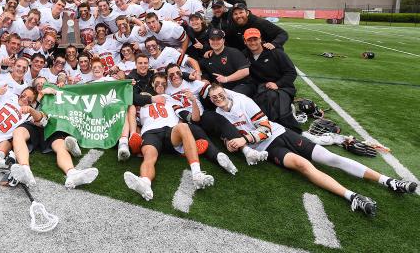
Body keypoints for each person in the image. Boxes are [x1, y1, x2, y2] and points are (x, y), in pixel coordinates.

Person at [208, 84, 417, 216]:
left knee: (328, 157)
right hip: (267, 149)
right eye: (213, 97)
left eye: (219, 94)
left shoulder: (243, 101)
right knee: (303, 165)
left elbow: (265, 127)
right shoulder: (218, 115)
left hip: (279, 134)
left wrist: (245, 138)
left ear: (225, 93)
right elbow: (230, 141)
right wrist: (232, 144)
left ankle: (388, 181)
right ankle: (353, 197)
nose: (218, 98)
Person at [123, 73, 214, 201]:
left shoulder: (171, 98)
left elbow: (188, 118)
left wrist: (193, 101)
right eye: (158, 83)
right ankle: (145, 184)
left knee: (183, 127)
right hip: (150, 132)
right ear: (152, 84)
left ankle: (197, 174)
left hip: (170, 131)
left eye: (164, 84)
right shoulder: (142, 99)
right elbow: (132, 112)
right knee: (149, 156)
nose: (161, 85)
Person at [9, 88, 100, 190]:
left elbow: (41, 119)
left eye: (29, 99)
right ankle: (24, 169)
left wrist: (31, 108)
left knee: (60, 145)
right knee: (18, 132)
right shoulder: (10, 99)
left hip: (45, 125)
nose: (25, 99)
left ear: (33, 101)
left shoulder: (37, 104)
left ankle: (72, 173)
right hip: (30, 127)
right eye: (23, 95)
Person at [242, 28, 301, 132]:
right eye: (249, 40)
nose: (253, 42)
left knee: (271, 98)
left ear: (261, 39)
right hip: (260, 89)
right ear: (245, 41)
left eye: (255, 39)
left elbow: (291, 72)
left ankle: (282, 127)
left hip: (281, 88)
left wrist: (277, 84)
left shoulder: (276, 53)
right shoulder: (244, 55)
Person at [200, 28, 254, 97]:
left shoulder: (233, 52)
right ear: (209, 41)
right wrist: (204, 79)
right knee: (205, 95)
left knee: (233, 96)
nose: (215, 42)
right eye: (212, 39)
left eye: (218, 39)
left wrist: (226, 79)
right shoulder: (208, 57)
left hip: (243, 84)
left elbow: (245, 71)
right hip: (224, 89)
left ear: (223, 40)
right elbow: (201, 67)